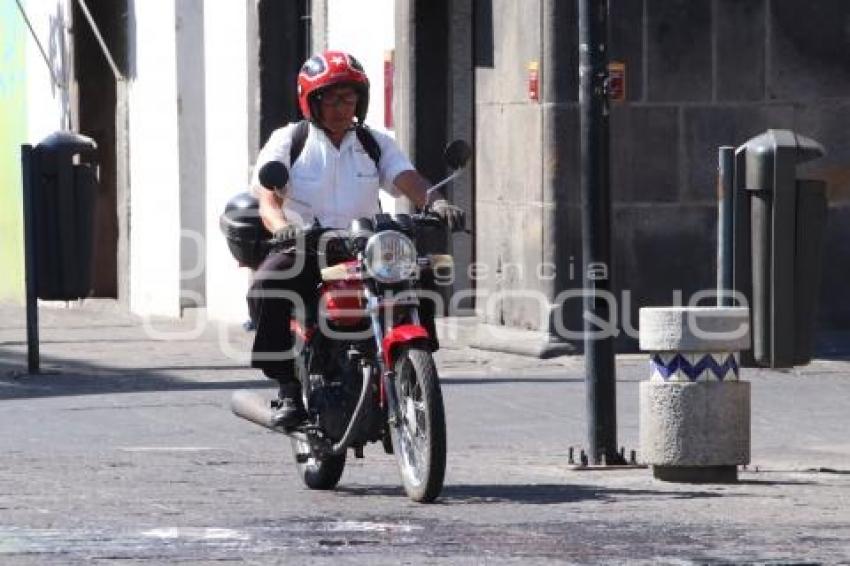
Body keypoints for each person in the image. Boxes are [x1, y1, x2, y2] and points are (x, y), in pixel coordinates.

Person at [248, 50, 464, 427]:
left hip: (364, 246)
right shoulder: (290, 140)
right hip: (307, 246)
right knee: (268, 283)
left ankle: (413, 363)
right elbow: (267, 199)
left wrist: (438, 202)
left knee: (420, 273)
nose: (340, 107)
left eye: (348, 98)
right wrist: (282, 226)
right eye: (330, 98)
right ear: (310, 101)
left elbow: (406, 178)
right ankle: (285, 387)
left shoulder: (374, 143)